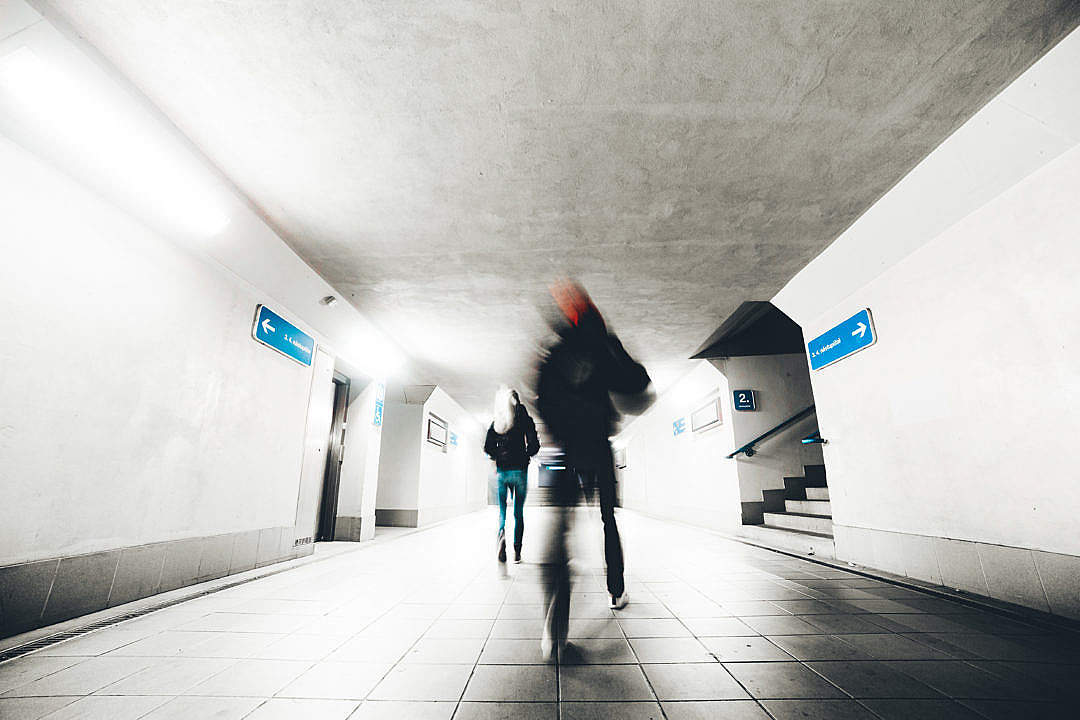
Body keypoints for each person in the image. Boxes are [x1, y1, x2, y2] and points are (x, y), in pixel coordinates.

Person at [535, 280, 652, 654]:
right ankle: (615, 590)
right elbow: (637, 381)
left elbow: (542, 400)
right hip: (598, 447)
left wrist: (558, 431)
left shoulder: (554, 356)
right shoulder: (602, 348)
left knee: (560, 527)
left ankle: (555, 628)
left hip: (568, 450)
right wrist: (612, 345)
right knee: (607, 521)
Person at [483, 385, 540, 563]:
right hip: (520, 471)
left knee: (502, 512)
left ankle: (501, 536)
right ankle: (517, 552)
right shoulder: (524, 419)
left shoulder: (497, 421)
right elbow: (534, 445)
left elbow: (488, 447)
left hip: (502, 472)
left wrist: (499, 456)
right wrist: (526, 455)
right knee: (518, 513)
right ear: (518, 401)